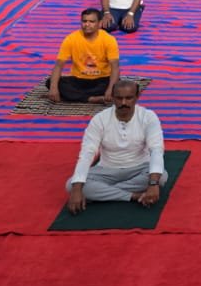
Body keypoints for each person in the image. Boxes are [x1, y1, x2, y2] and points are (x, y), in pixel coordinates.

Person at [64, 79, 166, 214]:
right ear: (112, 98)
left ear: (137, 97)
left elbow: (156, 150)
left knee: (161, 177)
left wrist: (153, 184)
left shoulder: (148, 117)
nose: (124, 103)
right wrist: (77, 190)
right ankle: (133, 196)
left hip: (140, 167)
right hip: (107, 169)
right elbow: (87, 154)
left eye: (129, 98)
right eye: (119, 98)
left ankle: (102, 193)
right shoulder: (100, 119)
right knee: (71, 185)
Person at [49, 8, 121, 103]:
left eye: (91, 21)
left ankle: (74, 96)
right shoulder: (71, 39)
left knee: (118, 85)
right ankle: (91, 99)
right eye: (84, 21)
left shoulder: (109, 40)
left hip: (102, 80)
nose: (87, 24)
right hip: (79, 80)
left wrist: (110, 89)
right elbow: (59, 65)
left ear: (99, 23)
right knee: (51, 82)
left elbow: (115, 67)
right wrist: (53, 88)